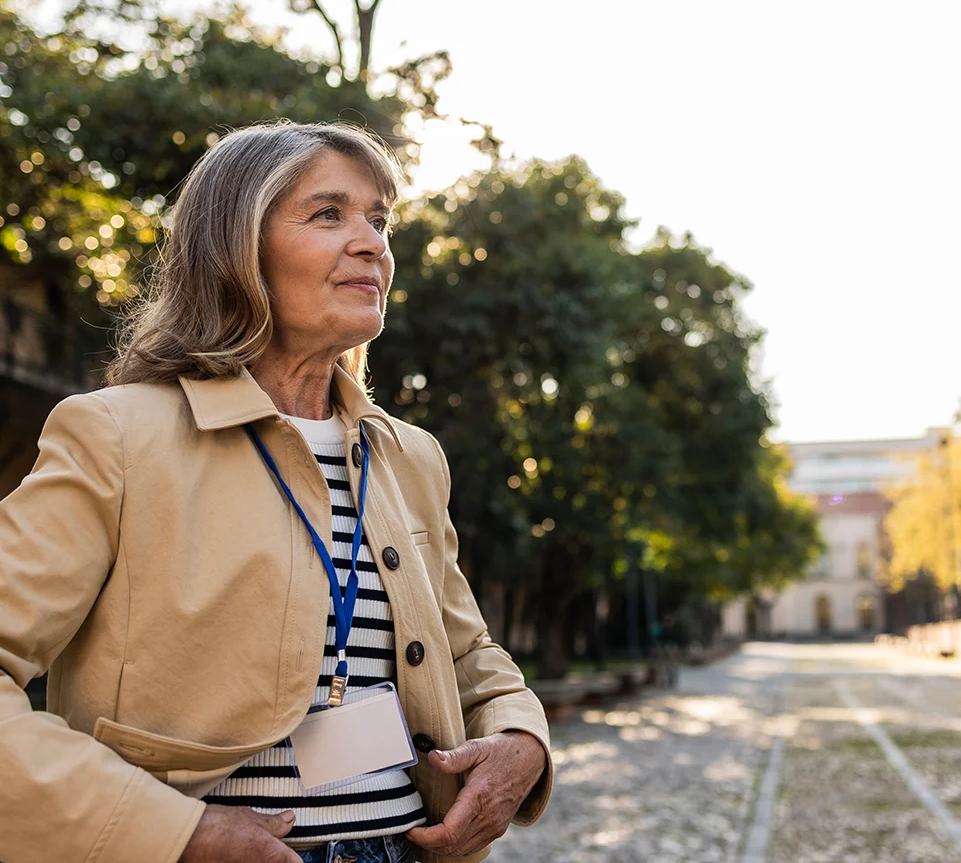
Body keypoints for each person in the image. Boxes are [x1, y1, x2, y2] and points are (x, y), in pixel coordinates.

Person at [0, 122, 552, 863]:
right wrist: (174, 834)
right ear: (238, 247)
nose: (372, 243)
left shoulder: (410, 456)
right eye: (329, 214)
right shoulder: (115, 435)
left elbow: (466, 650)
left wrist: (522, 736)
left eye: (378, 219)